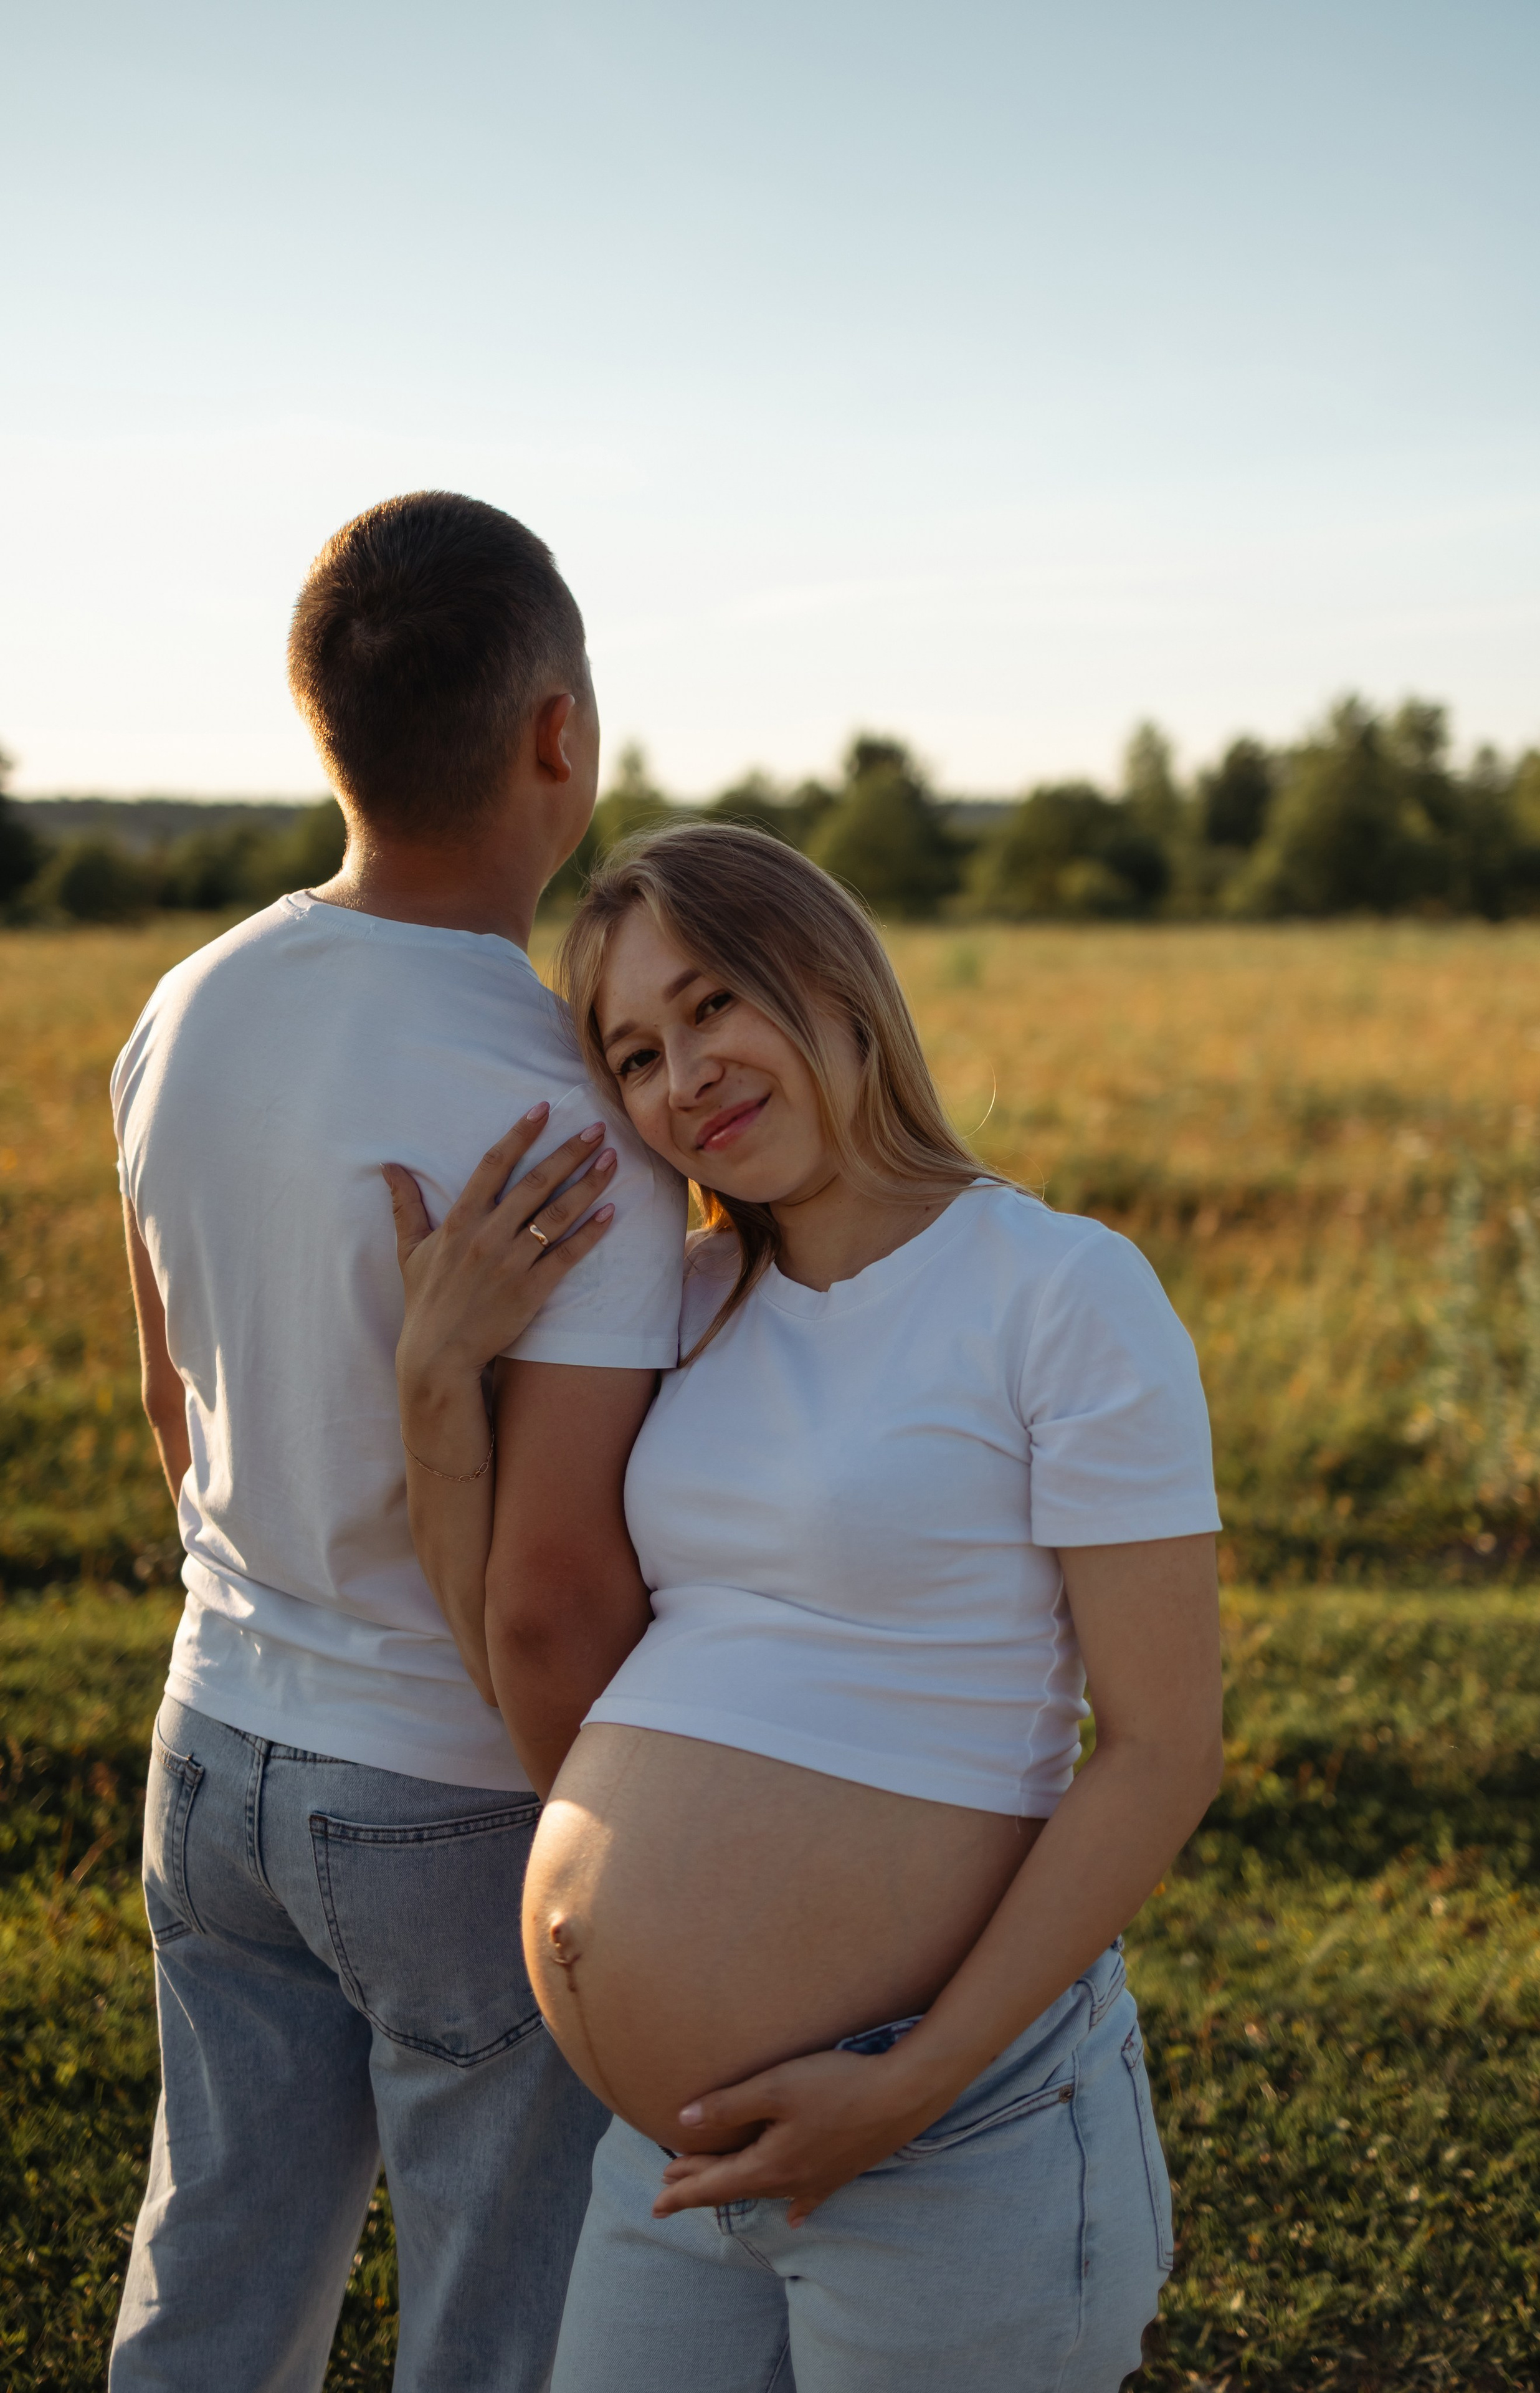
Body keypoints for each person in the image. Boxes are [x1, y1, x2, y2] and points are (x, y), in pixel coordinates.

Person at [389, 821, 1225, 2392]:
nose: (679, 1077)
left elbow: (1164, 1749)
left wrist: (910, 2081)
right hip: (665, 2158)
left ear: (829, 981)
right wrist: (439, 1385)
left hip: (945, 2141)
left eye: (712, 1005)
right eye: (634, 1054)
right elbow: (525, 1645)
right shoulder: (682, 1307)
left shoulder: (1055, 1288)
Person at [108, 492, 685, 2393]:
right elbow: (543, 1603)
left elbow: (166, 1402)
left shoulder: (186, 1010)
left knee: (212, 2292)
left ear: (321, 726)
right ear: (557, 737)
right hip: (450, 1802)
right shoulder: (567, 1120)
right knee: (498, 2336)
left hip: (211, 1751)